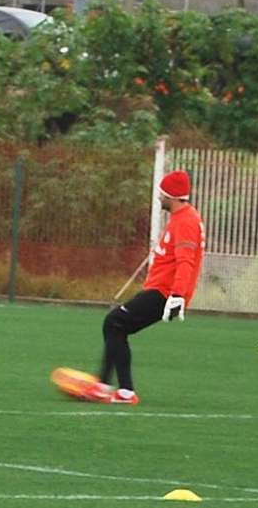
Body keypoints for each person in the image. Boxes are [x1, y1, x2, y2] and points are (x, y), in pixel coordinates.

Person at [83, 170, 205, 405]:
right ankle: (103, 386)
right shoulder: (182, 218)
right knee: (116, 326)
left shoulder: (187, 221)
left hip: (164, 293)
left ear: (172, 195)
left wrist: (177, 295)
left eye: (162, 193)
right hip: (160, 290)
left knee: (114, 322)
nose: (159, 197)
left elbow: (186, 260)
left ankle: (123, 391)